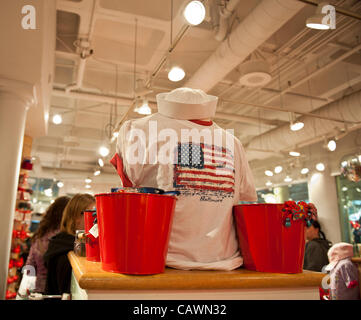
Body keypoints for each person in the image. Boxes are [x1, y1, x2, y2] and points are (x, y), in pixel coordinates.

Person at [111, 87, 257, 271]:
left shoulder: (137, 130)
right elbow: (247, 195)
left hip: (159, 259)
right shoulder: (233, 143)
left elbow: (129, 186)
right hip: (219, 261)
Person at [43, 193, 95, 295]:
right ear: (76, 217)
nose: (96, 220)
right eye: (92, 214)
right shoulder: (68, 251)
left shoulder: (60, 243)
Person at [23, 196, 70, 293]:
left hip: (38, 289)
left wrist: (28, 286)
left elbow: (29, 266)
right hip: (58, 290)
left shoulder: (40, 235)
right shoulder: (66, 238)